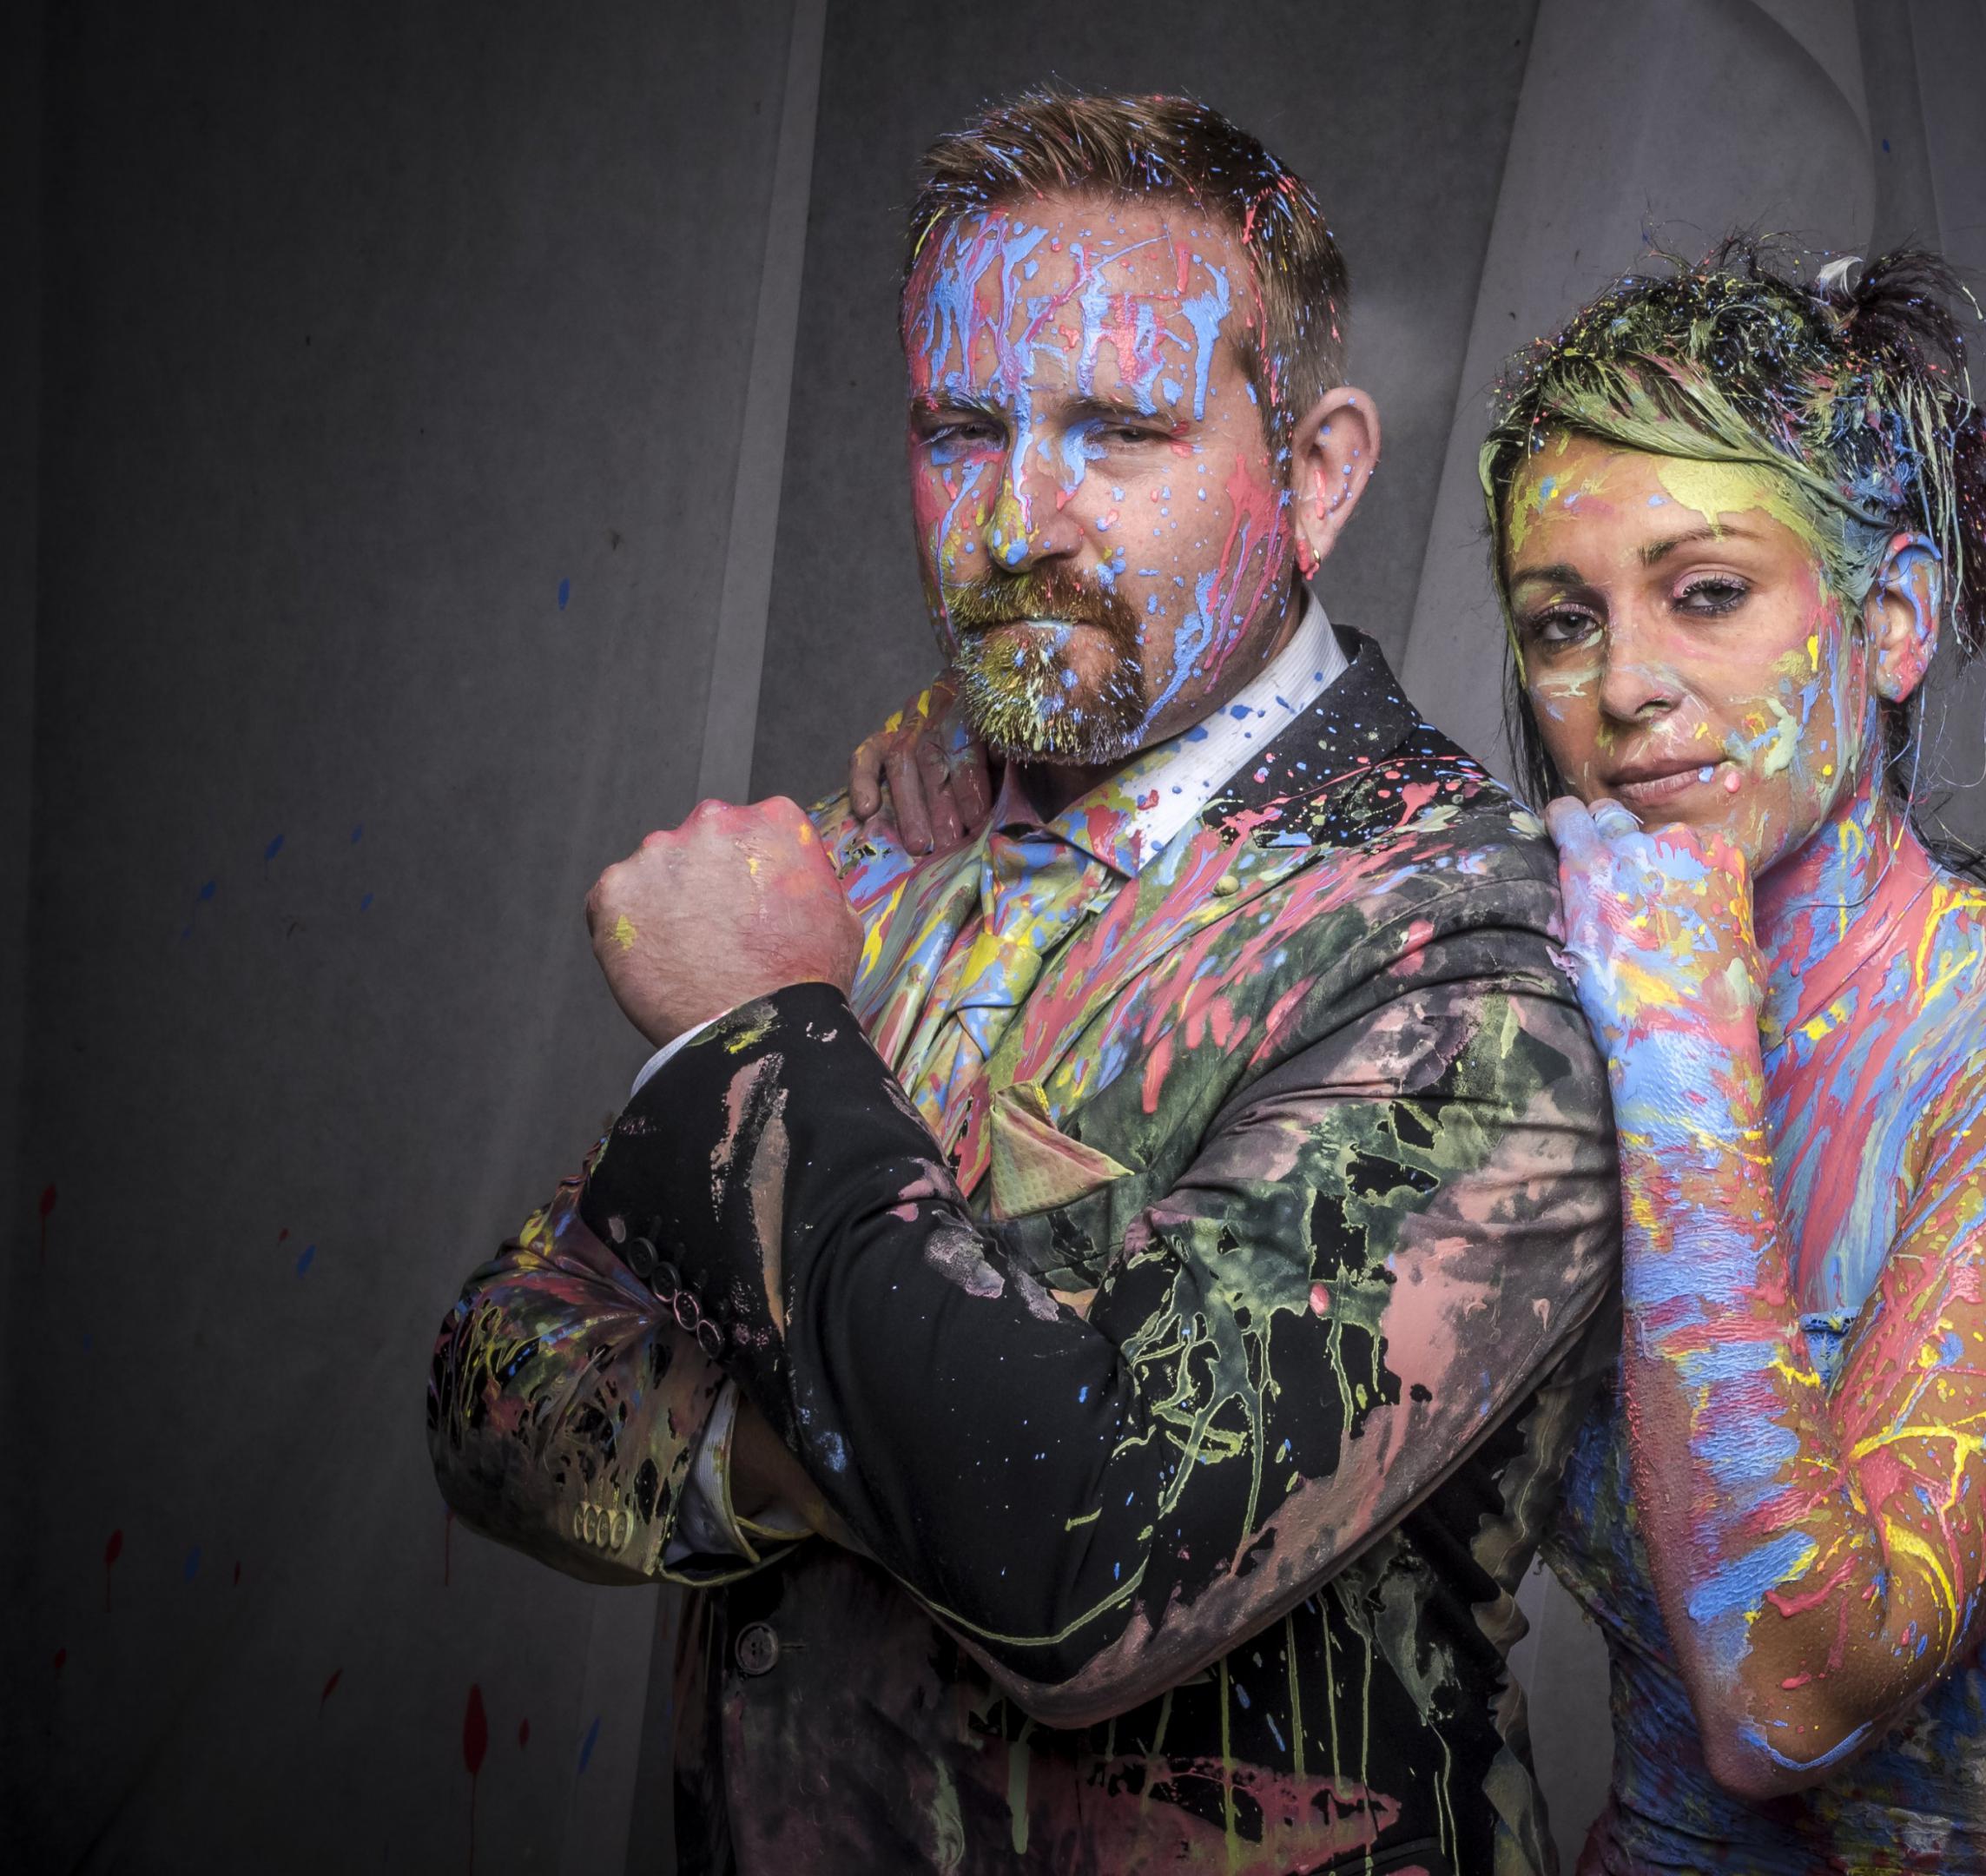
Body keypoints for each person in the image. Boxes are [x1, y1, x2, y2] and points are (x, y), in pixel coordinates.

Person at [426, 90, 1619, 1876]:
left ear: (1316, 475)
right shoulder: (866, 854)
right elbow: (495, 1384)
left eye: (1120, 433)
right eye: (961, 430)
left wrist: (757, 1037)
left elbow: (1088, 1561)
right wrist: (827, 1448)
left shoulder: (1459, 951)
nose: (1015, 523)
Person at [1488, 243, 1986, 1872]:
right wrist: (1003, 859)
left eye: (1707, 593)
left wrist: (1685, 1063)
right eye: (1563, 622)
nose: (1625, 687)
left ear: (1890, 621)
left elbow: (1795, 1700)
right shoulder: (1548, 1028)